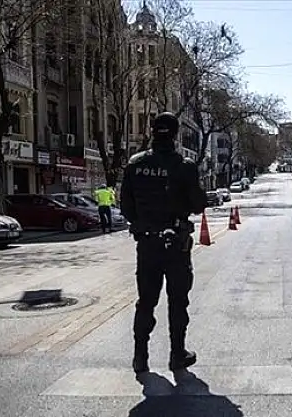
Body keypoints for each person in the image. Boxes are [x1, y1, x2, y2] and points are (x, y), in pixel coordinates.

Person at [120, 112, 208, 378]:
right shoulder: (184, 166)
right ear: (176, 133)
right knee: (177, 302)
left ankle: (140, 357)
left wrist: (143, 222)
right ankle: (176, 354)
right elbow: (198, 204)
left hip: (147, 244)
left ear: (152, 131)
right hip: (176, 245)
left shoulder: (135, 164)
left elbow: (125, 206)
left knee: (146, 301)